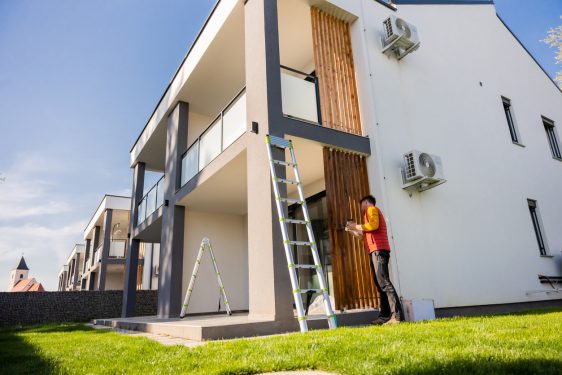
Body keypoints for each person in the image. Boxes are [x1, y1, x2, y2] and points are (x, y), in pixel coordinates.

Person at [346, 195, 403, 325]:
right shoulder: (368, 216)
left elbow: (374, 225)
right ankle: (384, 316)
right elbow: (363, 237)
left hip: (379, 249)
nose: (361, 208)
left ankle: (397, 316)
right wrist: (352, 230)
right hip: (374, 250)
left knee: (384, 282)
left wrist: (356, 226)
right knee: (380, 284)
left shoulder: (371, 209)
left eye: (361, 204)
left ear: (366, 202)